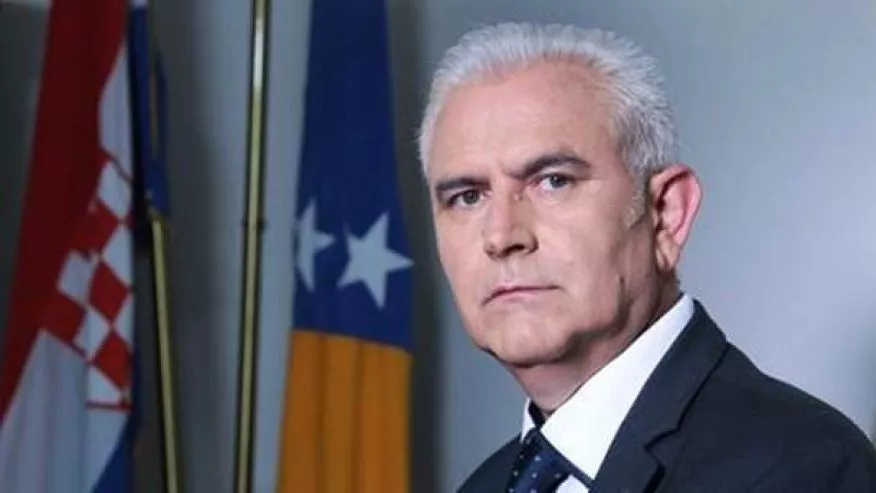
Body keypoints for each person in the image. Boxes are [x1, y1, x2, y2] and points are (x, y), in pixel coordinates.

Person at [417, 22, 876, 492]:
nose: (500, 236)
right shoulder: (485, 486)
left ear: (666, 213)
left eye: (553, 181)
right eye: (467, 197)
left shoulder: (804, 468)